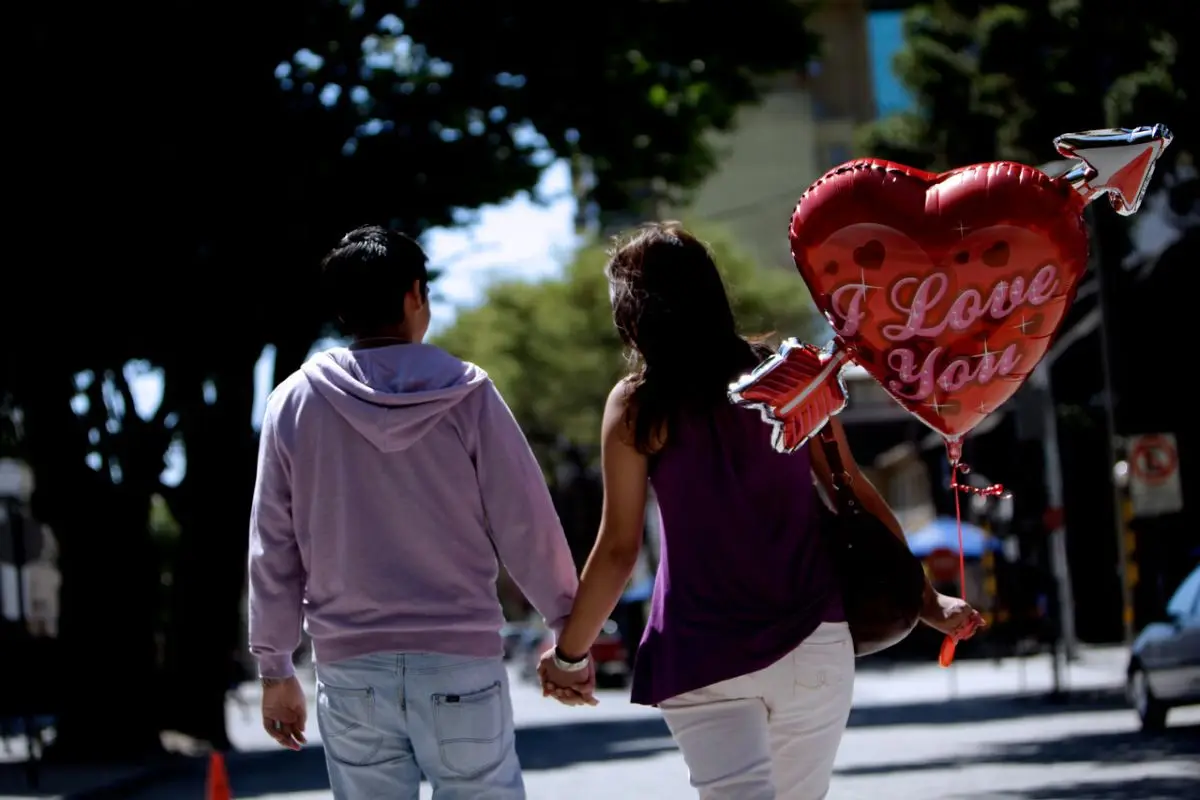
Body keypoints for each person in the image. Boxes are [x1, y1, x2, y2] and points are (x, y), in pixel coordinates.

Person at [538, 223, 983, 800]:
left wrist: (570, 656)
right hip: (813, 639)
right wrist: (927, 600)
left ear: (634, 313)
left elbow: (620, 549)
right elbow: (853, 492)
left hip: (701, 649)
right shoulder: (791, 376)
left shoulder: (637, 405)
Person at [247, 225, 580, 800]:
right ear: (414, 296)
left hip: (351, 669)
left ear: (342, 309)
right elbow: (524, 519)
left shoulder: (293, 403)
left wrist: (275, 667)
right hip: (461, 660)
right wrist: (566, 625)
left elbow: (272, 547)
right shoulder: (468, 393)